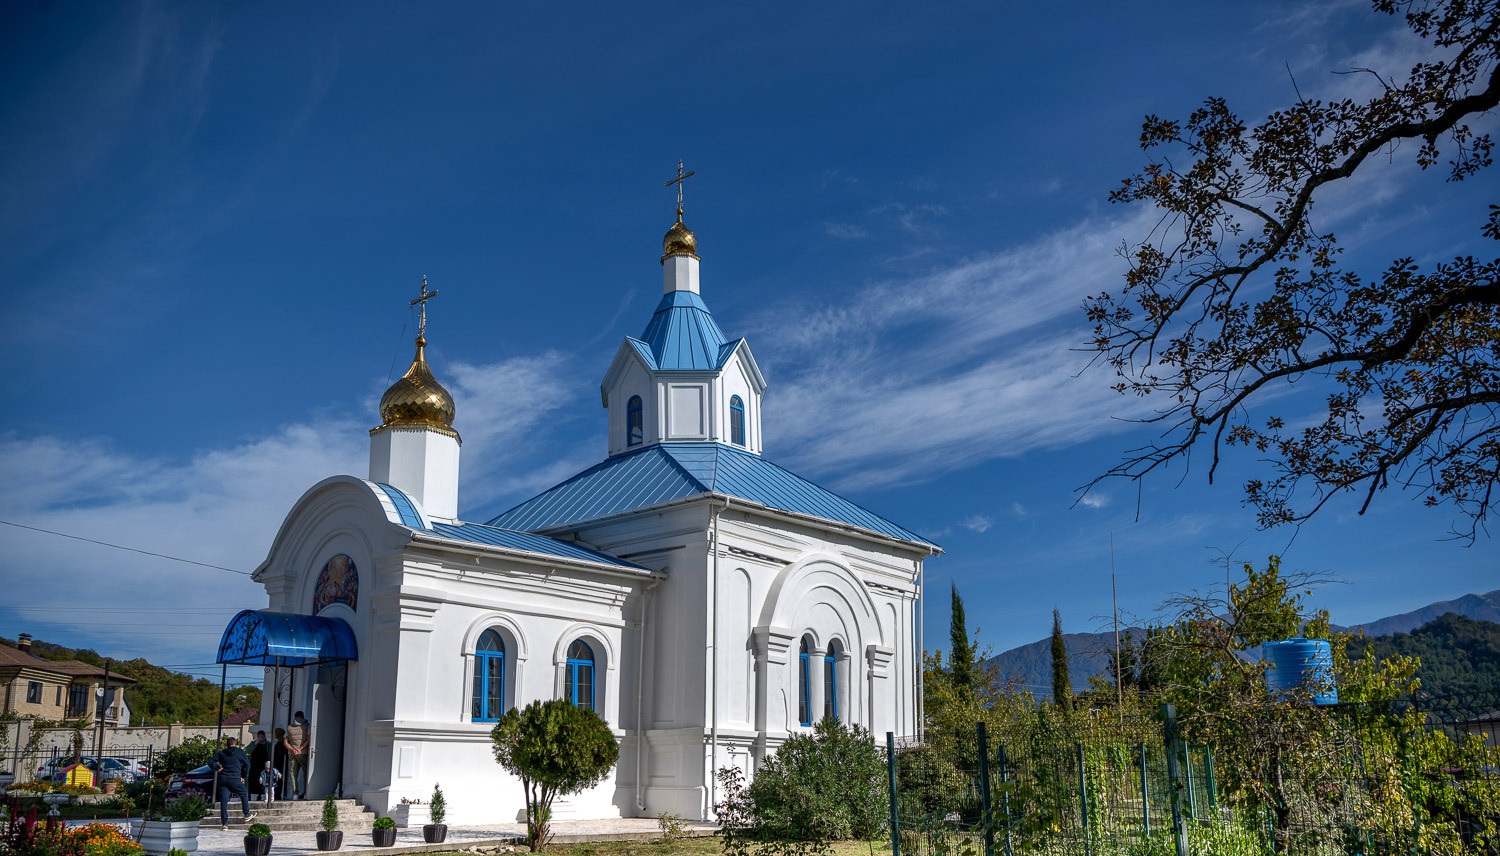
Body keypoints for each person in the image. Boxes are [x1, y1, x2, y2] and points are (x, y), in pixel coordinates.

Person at [209, 737, 256, 830]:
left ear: (227, 744)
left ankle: (224, 824)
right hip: (235, 778)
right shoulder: (240, 752)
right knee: (243, 794)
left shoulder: (221, 753)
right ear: (235, 743)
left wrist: (217, 767)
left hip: (223, 779)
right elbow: (247, 765)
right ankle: (247, 814)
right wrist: (243, 775)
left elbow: (210, 762)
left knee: (224, 801)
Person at [284, 712, 309, 799]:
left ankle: (295, 794)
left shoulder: (289, 727)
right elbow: (308, 740)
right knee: (306, 772)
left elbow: (285, 741)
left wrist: (292, 749)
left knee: (293, 774)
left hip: (292, 753)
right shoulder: (306, 726)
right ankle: (307, 792)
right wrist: (300, 749)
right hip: (303, 753)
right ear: (302, 716)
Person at [248, 731, 269, 797]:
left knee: (263, 780)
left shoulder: (268, 744)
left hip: (263, 765)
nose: (261, 738)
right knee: (252, 780)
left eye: (262, 736)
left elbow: (270, 754)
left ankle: (261, 795)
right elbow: (248, 750)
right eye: (259, 737)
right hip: (254, 766)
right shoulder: (253, 743)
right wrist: (256, 743)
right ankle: (250, 794)